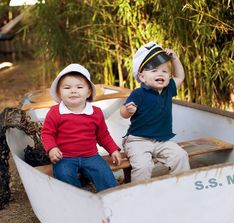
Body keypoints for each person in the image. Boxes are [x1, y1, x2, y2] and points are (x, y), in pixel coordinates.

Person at [41, 63, 122, 192]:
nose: (73, 91)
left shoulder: (95, 112)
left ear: (89, 91)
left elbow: (103, 135)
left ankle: (111, 197)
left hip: (91, 156)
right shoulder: (55, 112)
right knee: (64, 175)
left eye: (79, 87)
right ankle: (78, 197)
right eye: (67, 88)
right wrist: (52, 148)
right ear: (59, 92)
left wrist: (113, 150)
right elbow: (47, 133)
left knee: (104, 174)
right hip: (64, 157)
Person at [120, 41, 190, 182]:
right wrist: (128, 110)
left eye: (164, 71)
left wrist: (175, 59)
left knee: (180, 156)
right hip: (137, 140)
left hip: (162, 140)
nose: (160, 74)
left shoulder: (168, 89)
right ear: (142, 77)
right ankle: (139, 193)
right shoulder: (138, 93)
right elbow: (122, 112)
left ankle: (183, 187)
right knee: (143, 166)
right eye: (154, 71)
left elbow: (180, 77)